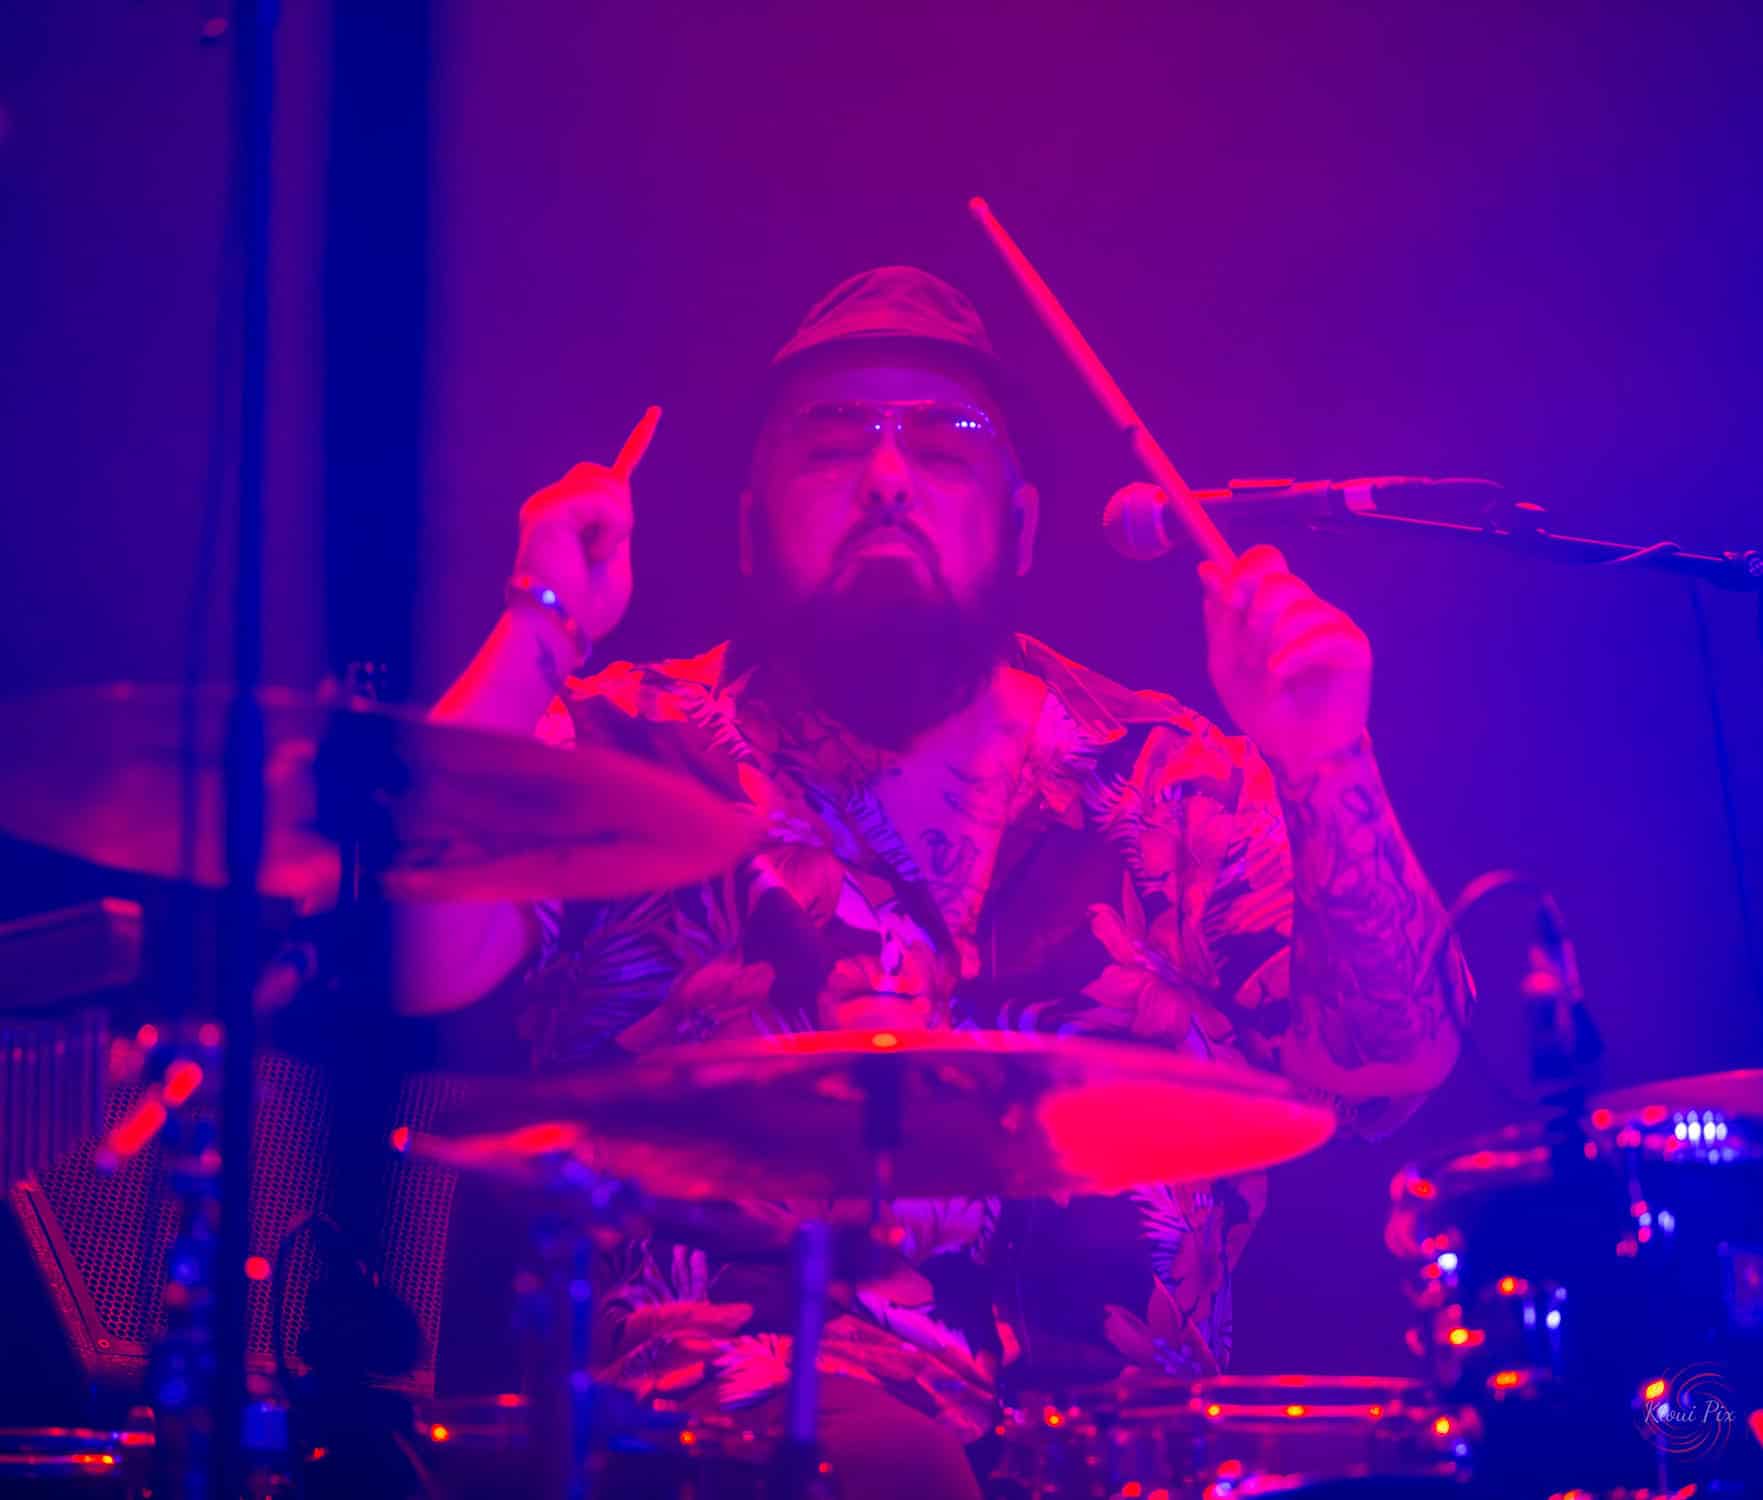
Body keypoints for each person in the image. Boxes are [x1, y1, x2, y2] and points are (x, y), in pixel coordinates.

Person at [400, 267, 1474, 1498]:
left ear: (1020, 526)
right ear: (749, 526)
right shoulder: (626, 747)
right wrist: (538, 624)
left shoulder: (1173, 781)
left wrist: (1326, 758)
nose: (886, 475)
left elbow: (1396, 1060)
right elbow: (407, 957)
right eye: (831, 441)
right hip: (726, 1452)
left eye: (945, 442)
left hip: (1125, 1455)